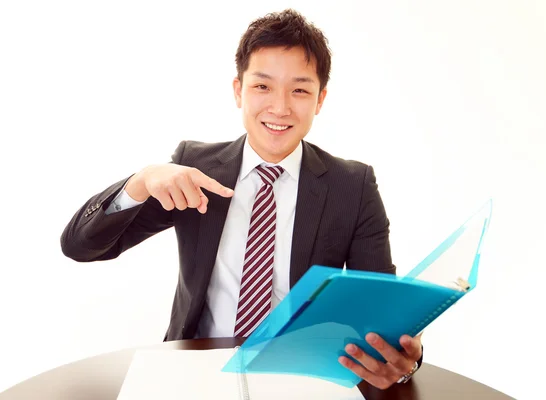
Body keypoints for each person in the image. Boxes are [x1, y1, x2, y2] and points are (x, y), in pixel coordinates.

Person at [60, 8, 423, 390]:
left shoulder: (353, 185)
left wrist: (403, 360)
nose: (280, 108)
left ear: (320, 99)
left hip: (300, 378)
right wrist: (142, 180)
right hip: (195, 371)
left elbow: (380, 310)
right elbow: (81, 247)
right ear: (238, 90)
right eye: (262, 86)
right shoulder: (195, 169)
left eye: (299, 90)